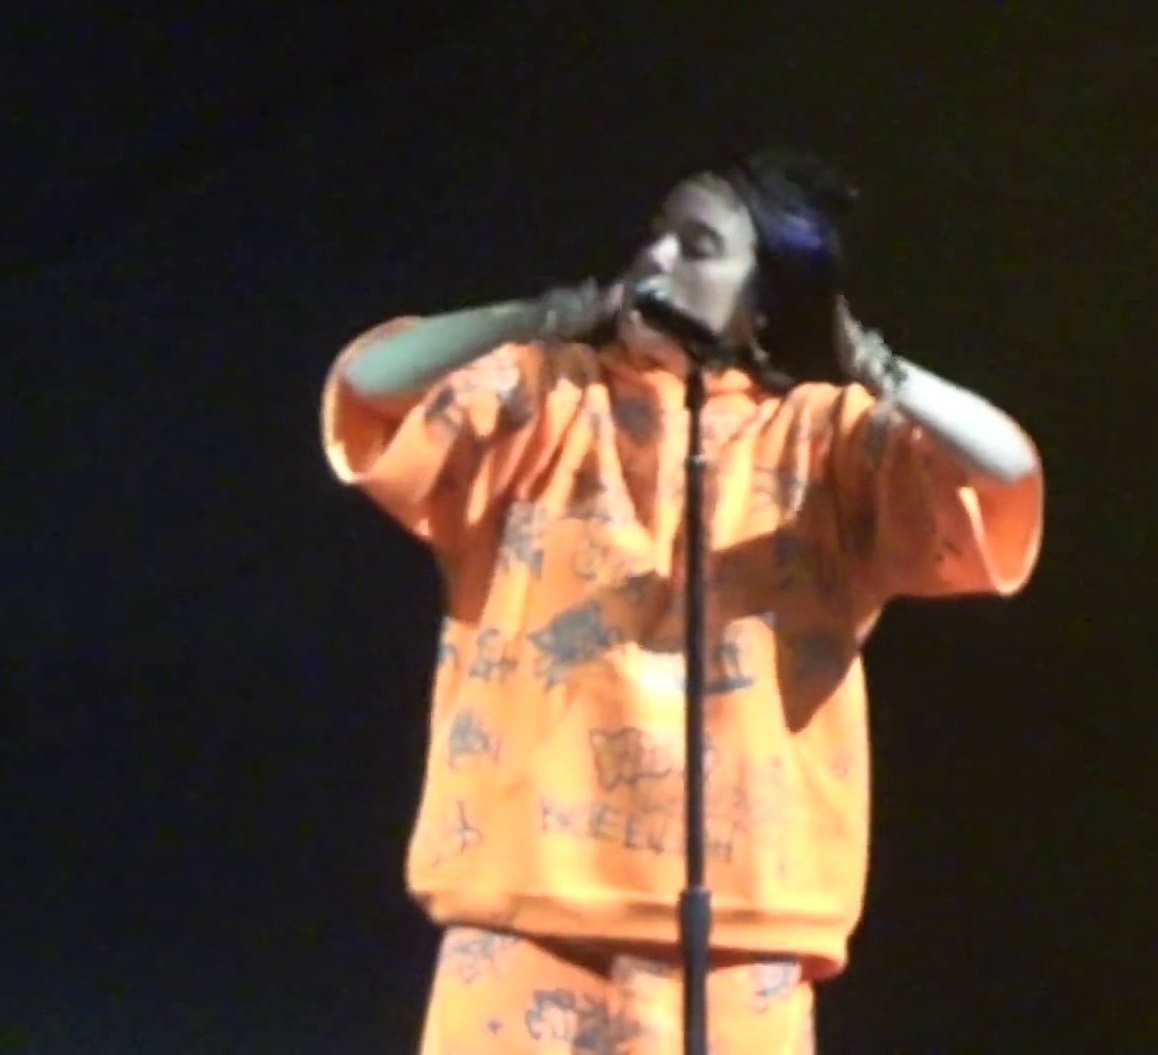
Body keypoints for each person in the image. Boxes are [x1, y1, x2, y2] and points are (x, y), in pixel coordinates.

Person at [320, 149, 1045, 1054]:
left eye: (697, 247)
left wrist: (881, 371)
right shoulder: (548, 399)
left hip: (745, 929)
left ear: (763, 299)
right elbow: (373, 389)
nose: (655, 258)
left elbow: (1003, 469)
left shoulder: (821, 439)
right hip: (526, 906)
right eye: (656, 236)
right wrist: (529, 319)